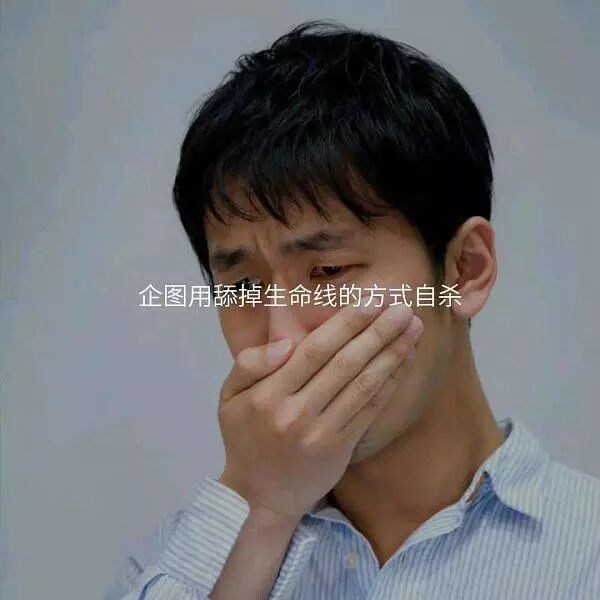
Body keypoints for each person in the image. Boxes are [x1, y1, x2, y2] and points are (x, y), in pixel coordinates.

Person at [105, 20, 600, 600]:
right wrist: (261, 507)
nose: (283, 340)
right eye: (244, 287)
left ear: (465, 269)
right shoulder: (167, 570)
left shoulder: (587, 551)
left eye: (329, 272)